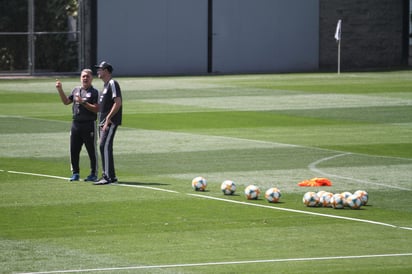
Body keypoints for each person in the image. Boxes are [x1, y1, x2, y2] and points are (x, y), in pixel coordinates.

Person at [55, 69, 99, 182]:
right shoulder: (76, 90)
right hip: (76, 124)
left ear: (91, 78)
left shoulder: (94, 92)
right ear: (80, 78)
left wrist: (83, 102)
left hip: (89, 124)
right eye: (83, 76)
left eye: (87, 76)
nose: (85, 78)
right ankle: (75, 173)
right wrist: (60, 89)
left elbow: (96, 109)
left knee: (91, 150)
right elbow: (66, 102)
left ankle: (93, 173)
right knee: (74, 149)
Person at [93, 61, 122, 185]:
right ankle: (111, 176)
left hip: (110, 122)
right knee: (105, 147)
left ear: (107, 71)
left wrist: (108, 119)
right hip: (103, 122)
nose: (98, 71)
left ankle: (107, 176)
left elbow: (118, 102)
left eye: (100, 69)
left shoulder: (112, 83)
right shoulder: (104, 86)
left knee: (103, 146)